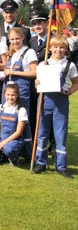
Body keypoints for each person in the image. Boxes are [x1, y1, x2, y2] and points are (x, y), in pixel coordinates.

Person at [33, 35, 78, 178]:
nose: (58, 49)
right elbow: (37, 82)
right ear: (50, 48)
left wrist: (69, 91)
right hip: (44, 100)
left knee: (60, 133)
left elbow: (76, 82)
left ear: (65, 49)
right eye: (55, 47)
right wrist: (37, 83)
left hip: (61, 101)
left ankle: (61, 166)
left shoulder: (69, 65)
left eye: (61, 47)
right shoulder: (43, 64)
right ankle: (41, 162)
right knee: (42, 132)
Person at [1, 27, 37, 111]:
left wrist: (14, 73)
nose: (15, 41)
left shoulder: (29, 52)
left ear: (23, 37)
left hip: (21, 89)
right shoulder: (11, 54)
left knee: (21, 114)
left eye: (17, 38)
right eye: (12, 39)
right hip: (7, 89)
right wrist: (3, 74)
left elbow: (35, 72)